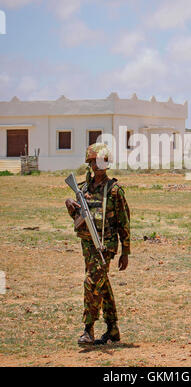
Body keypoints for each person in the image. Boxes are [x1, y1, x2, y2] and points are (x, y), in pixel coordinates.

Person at [65, 143, 130, 346]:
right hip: (88, 245)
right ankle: (112, 329)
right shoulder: (83, 189)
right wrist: (71, 205)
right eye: (94, 162)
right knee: (101, 285)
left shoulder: (114, 191)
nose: (98, 166)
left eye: (102, 162)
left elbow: (124, 223)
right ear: (90, 163)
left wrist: (125, 252)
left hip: (106, 246)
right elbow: (79, 217)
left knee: (91, 282)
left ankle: (88, 329)